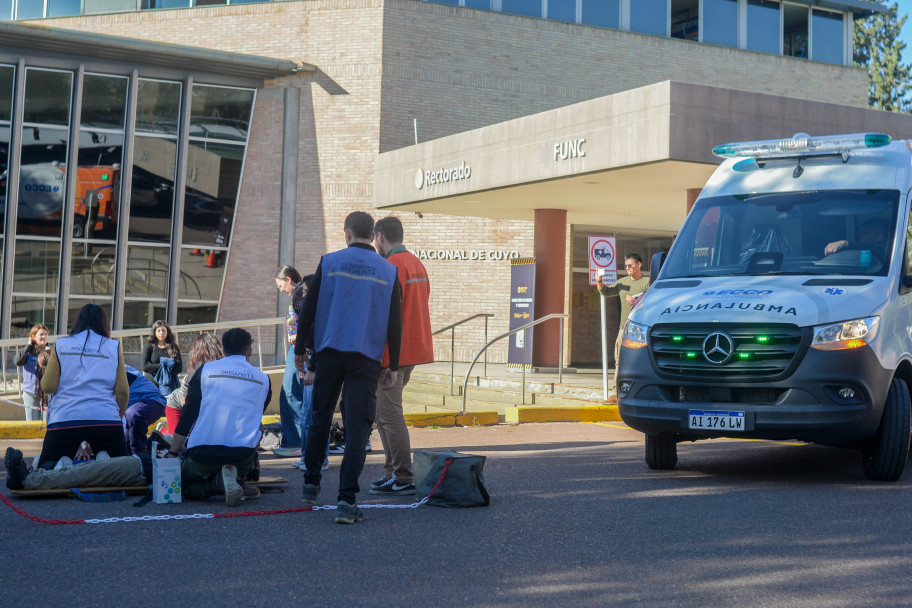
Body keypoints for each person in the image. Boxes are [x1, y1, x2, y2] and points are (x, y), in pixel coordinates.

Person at [295, 210, 402, 524]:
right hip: (365, 357)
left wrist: (301, 349)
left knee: (320, 417)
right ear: (373, 235)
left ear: (346, 232)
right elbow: (395, 322)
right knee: (357, 428)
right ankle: (346, 501)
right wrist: (392, 364)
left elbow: (308, 308)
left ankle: (311, 484)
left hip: (329, 352)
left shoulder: (329, 262)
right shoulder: (387, 270)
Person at [168, 328, 271, 507]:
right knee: (256, 425)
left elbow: (188, 414)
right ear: (250, 350)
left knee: (182, 486)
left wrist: (173, 452)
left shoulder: (205, 371)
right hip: (242, 454)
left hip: (204, 454)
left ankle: (216, 484)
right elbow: (255, 417)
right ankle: (238, 479)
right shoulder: (263, 379)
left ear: (223, 349)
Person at [369, 216, 433, 496]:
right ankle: (393, 472)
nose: (374, 244)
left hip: (391, 356)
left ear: (380, 237)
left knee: (389, 416)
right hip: (412, 351)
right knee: (385, 416)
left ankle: (403, 476)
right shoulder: (417, 262)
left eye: (374, 239)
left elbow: (382, 313)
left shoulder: (389, 266)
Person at [38, 304, 130, 466]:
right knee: (122, 467)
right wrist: (116, 417)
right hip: (105, 419)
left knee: (46, 467)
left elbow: (48, 386)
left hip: (64, 419)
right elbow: (122, 392)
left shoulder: (61, 345)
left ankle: (60, 466)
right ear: (104, 324)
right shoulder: (114, 346)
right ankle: (103, 463)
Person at [598, 253, 650, 397]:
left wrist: (634, 302)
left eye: (630, 265)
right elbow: (606, 292)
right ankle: (616, 393)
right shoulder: (622, 282)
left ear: (639, 264)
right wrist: (599, 281)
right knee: (619, 361)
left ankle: (639, 392)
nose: (627, 268)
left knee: (640, 362)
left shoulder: (648, 282)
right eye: (625, 266)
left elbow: (652, 301)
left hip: (641, 330)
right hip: (624, 328)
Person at [273, 265, 308, 456]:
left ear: (288, 279)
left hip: (299, 350)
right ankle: (299, 441)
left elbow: (306, 321)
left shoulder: (299, 294)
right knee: (298, 395)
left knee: (290, 394)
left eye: (280, 284)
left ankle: (294, 442)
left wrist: (297, 337)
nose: (279, 289)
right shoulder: (300, 293)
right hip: (299, 349)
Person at [6, 445, 149, 491]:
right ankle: (31, 477)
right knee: (84, 470)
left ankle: (28, 480)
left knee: (81, 473)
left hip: (145, 468)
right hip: (145, 463)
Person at [164, 333, 224, 435]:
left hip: (196, 403)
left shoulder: (222, 366)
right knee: (175, 439)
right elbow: (186, 401)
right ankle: (162, 431)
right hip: (176, 404)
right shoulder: (196, 370)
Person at [123, 365, 168, 455]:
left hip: (153, 401)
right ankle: (150, 443)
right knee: (124, 446)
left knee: (133, 414)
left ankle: (140, 456)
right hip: (134, 405)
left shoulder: (121, 371)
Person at [15, 324, 50, 422]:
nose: (44, 337)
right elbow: (18, 361)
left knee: (46, 425)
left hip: (47, 395)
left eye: (46, 334)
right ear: (33, 337)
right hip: (31, 394)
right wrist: (28, 345)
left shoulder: (51, 351)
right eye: (41, 334)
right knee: (32, 425)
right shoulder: (28, 352)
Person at [142, 320, 182, 391]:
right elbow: (145, 367)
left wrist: (166, 374)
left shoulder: (173, 347)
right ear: (154, 332)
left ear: (167, 332)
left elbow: (179, 368)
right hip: (152, 385)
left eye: (163, 330)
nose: (161, 333)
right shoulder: (148, 347)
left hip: (169, 386)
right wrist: (164, 366)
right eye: (158, 330)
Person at [824, 218, 889, 261]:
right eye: (861, 232)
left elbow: (873, 248)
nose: (860, 235)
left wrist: (846, 243)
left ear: (879, 234)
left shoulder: (887, 251)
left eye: (865, 232)